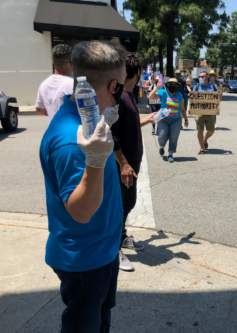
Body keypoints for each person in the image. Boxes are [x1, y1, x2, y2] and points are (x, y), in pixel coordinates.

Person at [39, 40, 126, 332]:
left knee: (99, 318)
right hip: (86, 260)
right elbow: (81, 211)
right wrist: (96, 161)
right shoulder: (71, 139)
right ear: (113, 85)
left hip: (101, 250)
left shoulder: (88, 119)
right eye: (123, 86)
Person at [112, 54, 154, 272]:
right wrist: (123, 164)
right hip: (124, 165)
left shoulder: (128, 95)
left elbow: (127, 125)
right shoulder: (118, 96)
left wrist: (145, 120)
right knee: (121, 205)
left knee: (128, 203)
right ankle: (114, 249)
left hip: (131, 162)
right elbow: (112, 133)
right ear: (136, 73)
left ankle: (122, 237)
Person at [149, 78, 188, 162]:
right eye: (171, 84)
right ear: (167, 84)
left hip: (176, 120)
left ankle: (170, 154)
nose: (173, 86)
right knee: (162, 136)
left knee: (174, 137)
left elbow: (182, 108)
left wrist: (186, 119)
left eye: (175, 84)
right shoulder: (163, 92)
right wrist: (156, 88)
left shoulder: (179, 95)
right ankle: (162, 146)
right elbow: (150, 96)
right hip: (163, 119)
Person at [36, 44, 74, 122]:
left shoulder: (44, 85)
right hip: (74, 132)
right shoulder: (74, 84)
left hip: (54, 131)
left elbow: (39, 110)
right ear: (69, 63)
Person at [193, 71, 218, 154]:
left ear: (207, 77)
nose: (202, 78)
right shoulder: (196, 86)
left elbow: (218, 97)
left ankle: (204, 140)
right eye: (200, 76)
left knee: (211, 130)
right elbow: (192, 97)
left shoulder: (213, 86)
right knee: (200, 130)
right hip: (199, 111)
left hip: (210, 111)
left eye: (203, 76)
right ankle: (202, 148)